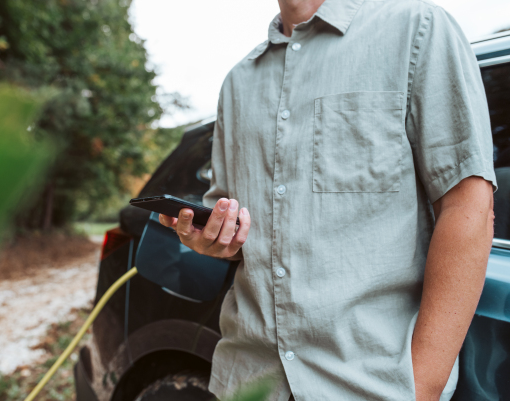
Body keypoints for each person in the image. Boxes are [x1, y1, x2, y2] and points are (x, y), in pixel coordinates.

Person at [159, 0, 497, 399]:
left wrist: (420, 387)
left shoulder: (417, 29)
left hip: (371, 388)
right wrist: (210, 238)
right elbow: (241, 236)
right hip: (247, 381)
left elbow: (468, 207)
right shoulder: (238, 82)